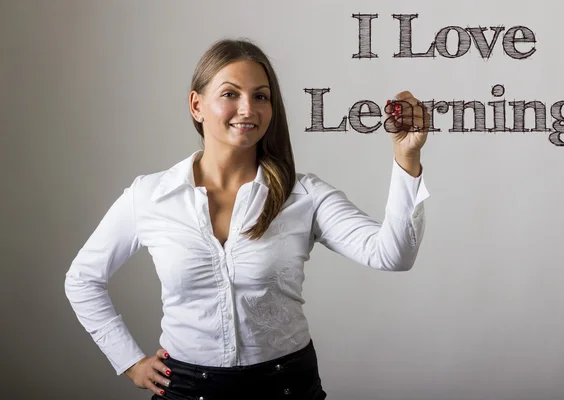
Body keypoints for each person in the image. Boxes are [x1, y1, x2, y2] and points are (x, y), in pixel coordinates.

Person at [64, 38, 430, 400]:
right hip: (187, 390)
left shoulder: (304, 195)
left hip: (286, 388)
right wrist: (129, 361)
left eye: (261, 96)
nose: (248, 109)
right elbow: (83, 279)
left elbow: (392, 255)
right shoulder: (150, 195)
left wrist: (406, 158)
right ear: (197, 105)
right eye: (230, 94)